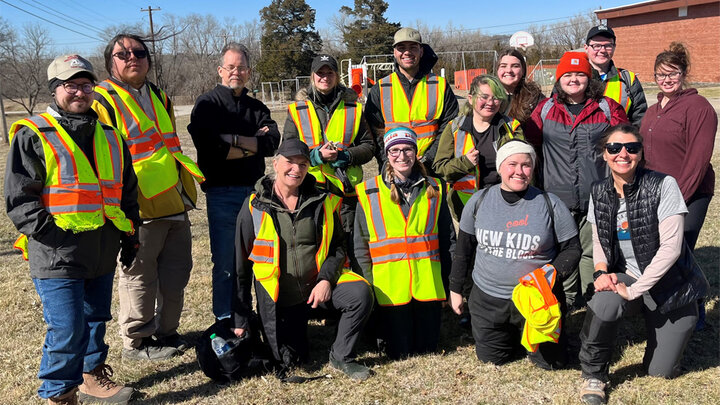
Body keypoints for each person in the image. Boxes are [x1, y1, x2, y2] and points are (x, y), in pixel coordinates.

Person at [5, 55, 138, 404]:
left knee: (95, 319)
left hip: (102, 249)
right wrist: (56, 238)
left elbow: (126, 191)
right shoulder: (34, 134)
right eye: (70, 85)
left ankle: (91, 377)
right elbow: (21, 200)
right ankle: (59, 394)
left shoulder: (110, 135)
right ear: (55, 90)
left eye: (85, 85)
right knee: (66, 328)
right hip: (57, 254)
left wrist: (128, 235)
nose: (80, 92)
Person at [93, 33, 205, 360]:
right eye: (123, 53)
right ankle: (137, 343)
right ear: (109, 62)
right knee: (140, 277)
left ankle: (167, 333)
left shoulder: (159, 95)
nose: (132, 58)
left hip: (173, 198)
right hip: (136, 207)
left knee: (176, 273)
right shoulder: (101, 100)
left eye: (139, 52)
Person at [578, 125, 708, 405]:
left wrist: (635, 291)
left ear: (640, 152)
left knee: (660, 372)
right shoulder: (599, 190)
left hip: (672, 287)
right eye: (614, 148)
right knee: (603, 302)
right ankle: (594, 375)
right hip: (629, 277)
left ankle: (660, 320)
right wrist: (601, 272)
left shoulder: (663, 185)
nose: (622, 153)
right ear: (604, 154)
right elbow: (600, 240)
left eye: (631, 148)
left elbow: (671, 249)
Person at [231, 139, 374, 381]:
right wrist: (240, 318)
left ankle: (341, 355)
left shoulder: (324, 201)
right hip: (282, 300)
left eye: (303, 164)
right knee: (294, 360)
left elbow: (338, 246)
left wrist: (326, 280)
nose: (296, 170)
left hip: (318, 290)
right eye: (290, 162)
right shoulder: (253, 207)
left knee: (360, 294)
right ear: (275, 164)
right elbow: (240, 268)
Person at [449, 140, 580, 368]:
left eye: (526, 165)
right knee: (492, 360)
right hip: (488, 299)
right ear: (500, 167)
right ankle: (508, 334)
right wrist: (455, 289)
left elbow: (572, 248)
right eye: (512, 164)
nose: (519, 171)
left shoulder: (551, 204)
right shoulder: (478, 201)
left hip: (535, 300)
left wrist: (552, 273)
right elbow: (463, 250)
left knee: (553, 363)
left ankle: (531, 337)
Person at [526, 51, 628, 308]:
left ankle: (591, 299)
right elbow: (531, 146)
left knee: (592, 252)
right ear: (559, 79)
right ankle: (568, 300)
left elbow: (626, 146)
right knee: (562, 251)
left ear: (589, 77)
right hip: (557, 196)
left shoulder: (607, 107)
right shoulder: (545, 109)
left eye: (580, 74)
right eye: (567, 75)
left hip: (597, 195)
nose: (573, 79)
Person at [188, 42, 280, 320]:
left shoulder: (256, 106)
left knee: (261, 258)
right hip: (221, 193)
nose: (235, 72)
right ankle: (226, 319)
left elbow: (272, 143)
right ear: (220, 70)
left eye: (241, 67)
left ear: (249, 72)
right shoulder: (207, 104)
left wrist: (233, 141)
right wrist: (253, 142)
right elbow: (210, 150)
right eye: (230, 67)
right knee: (227, 262)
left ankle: (256, 317)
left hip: (255, 194)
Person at [353, 127, 455, 359]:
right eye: (395, 150)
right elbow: (361, 246)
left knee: (427, 349)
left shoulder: (435, 188)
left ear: (416, 153)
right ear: (387, 155)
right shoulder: (369, 193)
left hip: (427, 286)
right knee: (398, 351)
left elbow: (448, 240)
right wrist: (369, 289)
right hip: (389, 290)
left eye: (407, 149)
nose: (402, 156)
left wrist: (450, 284)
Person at [640, 42, 717, 330]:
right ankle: (666, 303)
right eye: (661, 75)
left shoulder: (698, 108)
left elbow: (697, 161)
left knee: (679, 249)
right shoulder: (652, 110)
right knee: (662, 250)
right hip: (656, 192)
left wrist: (677, 201)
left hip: (690, 193)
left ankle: (694, 309)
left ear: (683, 73)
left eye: (672, 73)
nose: (666, 79)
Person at [283, 53, 374, 237]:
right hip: (309, 191)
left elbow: (369, 146)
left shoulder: (354, 108)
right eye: (320, 73)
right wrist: (316, 157)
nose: (325, 77)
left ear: (337, 76)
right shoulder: (297, 109)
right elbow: (286, 151)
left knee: (347, 250)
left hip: (346, 195)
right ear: (312, 76)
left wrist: (345, 156)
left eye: (330, 73)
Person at [364, 27, 459, 172]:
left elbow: (449, 126)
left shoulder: (440, 85)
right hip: (394, 168)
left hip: (432, 168)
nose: (407, 52)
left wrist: (428, 159)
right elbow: (374, 131)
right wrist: (389, 162)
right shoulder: (381, 88)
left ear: (421, 51)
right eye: (401, 48)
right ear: (395, 53)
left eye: (413, 47)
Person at [433, 74, 524, 222]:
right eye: (484, 97)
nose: (490, 102)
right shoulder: (455, 128)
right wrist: (465, 162)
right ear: (470, 98)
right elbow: (440, 169)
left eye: (496, 98)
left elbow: (525, 166)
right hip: (467, 208)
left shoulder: (512, 127)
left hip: (506, 206)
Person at [584, 24, 647, 127]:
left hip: (618, 142)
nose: (603, 50)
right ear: (586, 48)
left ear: (614, 47)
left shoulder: (629, 79)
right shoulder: (572, 79)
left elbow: (640, 120)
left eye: (608, 45)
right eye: (596, 46)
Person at [495, 48, 545, 132]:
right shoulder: (488, 95)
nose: (508, 70)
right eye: (503, 66)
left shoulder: (535, 98)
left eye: (515, 66)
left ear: (523, 70)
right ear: (497, 70)